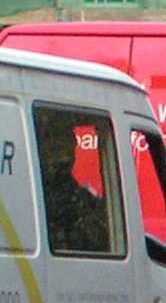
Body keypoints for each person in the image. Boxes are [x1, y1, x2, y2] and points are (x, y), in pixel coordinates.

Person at [35, 108, 113, 256]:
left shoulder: (83, 200)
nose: (63, 155)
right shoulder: (39, 196)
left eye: (66, 144)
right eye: (55, 146)